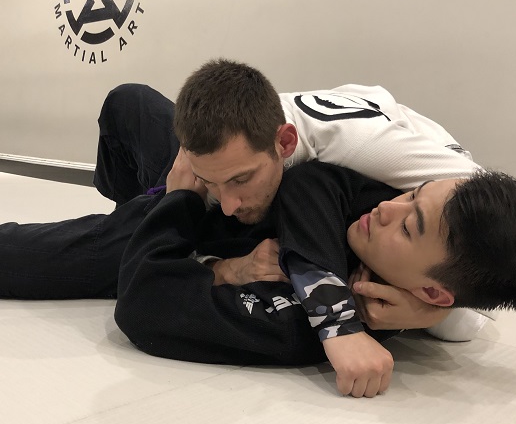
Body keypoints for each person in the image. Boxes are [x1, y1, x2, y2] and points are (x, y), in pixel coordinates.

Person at [0, 61, 516, 398]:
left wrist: (411, 314)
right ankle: (132, 198)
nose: (388, 206)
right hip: (200, 170)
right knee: (129, 105)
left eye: (408, 219)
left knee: (9, 261)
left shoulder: (442, 292)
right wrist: (335, 314)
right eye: (409, 198)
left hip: (203, 205)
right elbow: (317, 185)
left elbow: (469, 307)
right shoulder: (394, 173)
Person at [94, 67, 487, 341]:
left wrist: (434, 312)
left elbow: (504, 240)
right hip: (244, 152)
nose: (388, 211)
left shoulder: (425, 174)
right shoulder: (356, 145)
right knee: (126, 102)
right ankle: (127, 209)